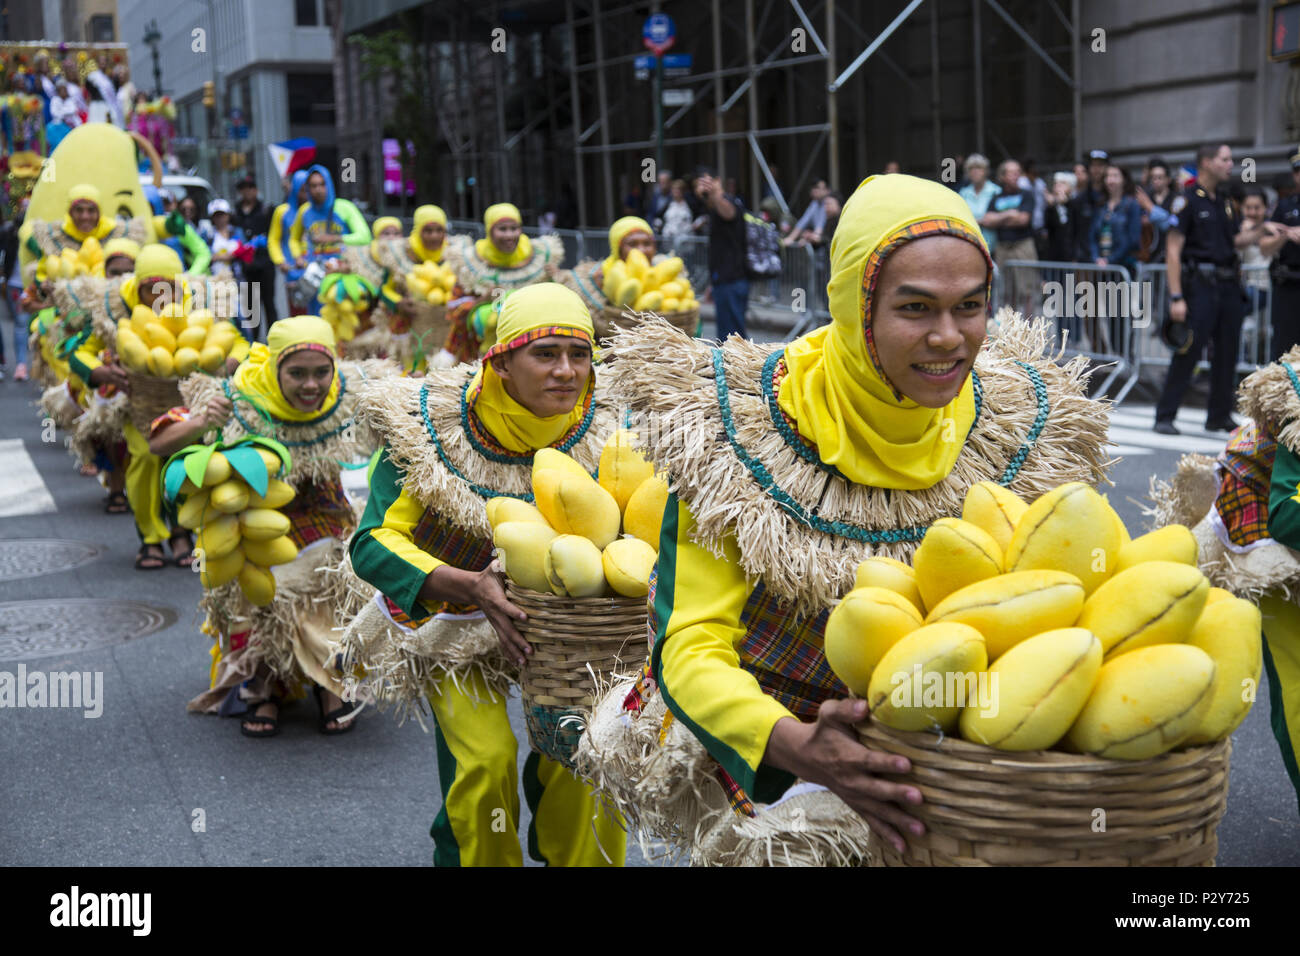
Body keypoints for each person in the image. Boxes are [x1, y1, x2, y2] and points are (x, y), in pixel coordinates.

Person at [583, 174, 1109, 860]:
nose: (949, 338)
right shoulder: (730, 435)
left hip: (958, 782)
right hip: (784, 788)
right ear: (855, 306)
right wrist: (794, 746)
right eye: (915, 308)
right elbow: (687, 647)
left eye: (971, 305)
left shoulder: (1025, 427)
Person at [345, 284, 627, 866]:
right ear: (499, 361)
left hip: (569, 637)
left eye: (579, 355)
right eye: (544, 354)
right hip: (455, 627)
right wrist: (468, 585)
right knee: (485, 763)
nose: (567, 372)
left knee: (587, 761)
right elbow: (371, 545)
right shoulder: (424, 427)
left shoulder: (614, 429)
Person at [149, 316, 382, 735]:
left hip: (323, 514)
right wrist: (203, 421)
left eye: (320, 372)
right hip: (248, 519)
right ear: (275, 368)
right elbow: (158, 443)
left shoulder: (355, 391)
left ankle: (331, 683)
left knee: (334, 572)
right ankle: (265, 685)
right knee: (251, 582)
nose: (311, 385)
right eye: (296, 373)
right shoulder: (237, 397)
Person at [1154, 143, 1246, 435]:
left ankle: (1218, 415)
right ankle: (1165, 416)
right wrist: (1176, 296)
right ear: (1206, 163)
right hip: (1199, 287)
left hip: (1228, 284)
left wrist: (1266, 230)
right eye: (1225, 159)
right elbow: (1172, 251)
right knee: (1188, 349)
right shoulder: (1187, 201)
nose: (1231, 164)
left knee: (1228, 351)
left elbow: (1235, 241)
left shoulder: (1225, 201)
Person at [443, 202, 563, 363]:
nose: (509, 235)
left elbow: (556, 301)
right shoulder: (469, 264)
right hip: (479, 355)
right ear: (489, 231)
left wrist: (558, 278)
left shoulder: (540, 258)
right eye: (502, 229)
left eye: (514, 228)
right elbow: (454, 310)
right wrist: (483, 300)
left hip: (533, 350)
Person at [695, 170, 749, 339]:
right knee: (725, 334)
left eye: (709, 181)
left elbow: (728, 213)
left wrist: (715, 191)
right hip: (723, 280)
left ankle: (740, 365)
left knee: (734, 336)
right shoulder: (714, 207)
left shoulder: (731, 203)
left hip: (733, 279)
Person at [289, 165, 371, 269]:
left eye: (322, 184)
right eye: (313, 186)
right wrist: (298, 257)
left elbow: (365, 237)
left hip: (343, 270)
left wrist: (333, 238)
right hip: (315, 273)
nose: (318, 190)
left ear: (329, 184)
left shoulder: (345, 207)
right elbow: (294, 239)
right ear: (308, 188)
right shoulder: (304, 211)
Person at [986, 159, 1038, 317]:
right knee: (1008, 292)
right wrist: (1009, 214)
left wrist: (999, 219)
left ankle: (1029, 330)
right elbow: (987, 220)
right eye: (1012, 172)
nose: (1016, 175)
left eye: (1018, 172)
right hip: (1003, 248)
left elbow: (1023, 220)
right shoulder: (996, 197)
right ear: (1002, 176)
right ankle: (1011, 331)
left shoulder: (1026, 194)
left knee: (1027, 290)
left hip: (1023, 246)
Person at [231, 176, 278, 337]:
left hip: (265, 263)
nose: (247, 191)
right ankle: (253, 342)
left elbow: (276, 234)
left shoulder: (266, 210)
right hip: (246, 266)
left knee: (269, 303)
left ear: (256, 190)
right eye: (244, 188)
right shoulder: (235, 213)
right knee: (251, 306)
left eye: (250, 187)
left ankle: (274, 338)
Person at [1264, 150, 1300, 361]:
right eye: (1296, 172)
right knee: (1284, 349)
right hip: (1288, 284)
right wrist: (1285, 236)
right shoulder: (1285, 205)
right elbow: (1265, 247)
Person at [268, 170, 311, 316]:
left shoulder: (318, 212)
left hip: (318, 269)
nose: (307, 194)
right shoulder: (282, 212)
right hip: (293, 271)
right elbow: (273, 240)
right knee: (298, 313)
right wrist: (280, 262)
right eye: (303, 190)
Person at [1089, 164, 1142, 273]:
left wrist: (1110, 260)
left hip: (1124, 267)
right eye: (1108, 176)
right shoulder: (1100, 205)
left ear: (1124, 180)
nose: (1110, 180)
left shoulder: (1132, 205)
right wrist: (1096, 258)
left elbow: (1133, 239)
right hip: (1101, 266)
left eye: (1115, 176)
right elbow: (1092, 235)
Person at [958, 154, 999, 253]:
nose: (975, 171)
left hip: (993, 246)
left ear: (986, 171)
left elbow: (996, 219)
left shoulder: (996, 191)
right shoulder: (963, 193)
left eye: (979, 168)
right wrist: (982, 221)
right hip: (970, 245)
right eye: (971, 168)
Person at [783, 178, 830, 248]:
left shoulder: (828, 202)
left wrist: (809, 237)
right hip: (822, 242)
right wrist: (791, 238)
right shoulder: (815, 204)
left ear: (827, 190)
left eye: (818, 188)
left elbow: (819, 228)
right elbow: (803, 222)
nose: (815, 190)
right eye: (814, 188)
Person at [205, 199, 244, 278]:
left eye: (222, 214)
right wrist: (227, 256)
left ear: (228, 215)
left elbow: (245, 251)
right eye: (216, 215)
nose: (220, 218)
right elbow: (205, 255)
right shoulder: (208, 235)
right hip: (216, 279)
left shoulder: (237, 232)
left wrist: (220, 256)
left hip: (238, 277)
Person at [660, 179, 695, 251]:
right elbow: (659, 217)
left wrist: (695, 225)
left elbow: (699, 217)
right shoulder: (668, 204)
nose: (676, 192)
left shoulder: (690, 204)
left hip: (686, 243)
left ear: (683, 191)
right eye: (674, 189)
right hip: (669, 243)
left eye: (678, 189)